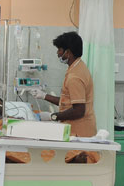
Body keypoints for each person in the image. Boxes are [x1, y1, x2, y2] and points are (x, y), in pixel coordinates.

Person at [30, 31, 97, 163]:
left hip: (79, 134)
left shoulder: (75, 77)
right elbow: (69, 102)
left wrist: (53, 116)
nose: (58, 53)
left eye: (60, 50)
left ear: (68, 52)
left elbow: (79, 110)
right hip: (77, 131)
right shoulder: (77, 67)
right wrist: (44, 96)